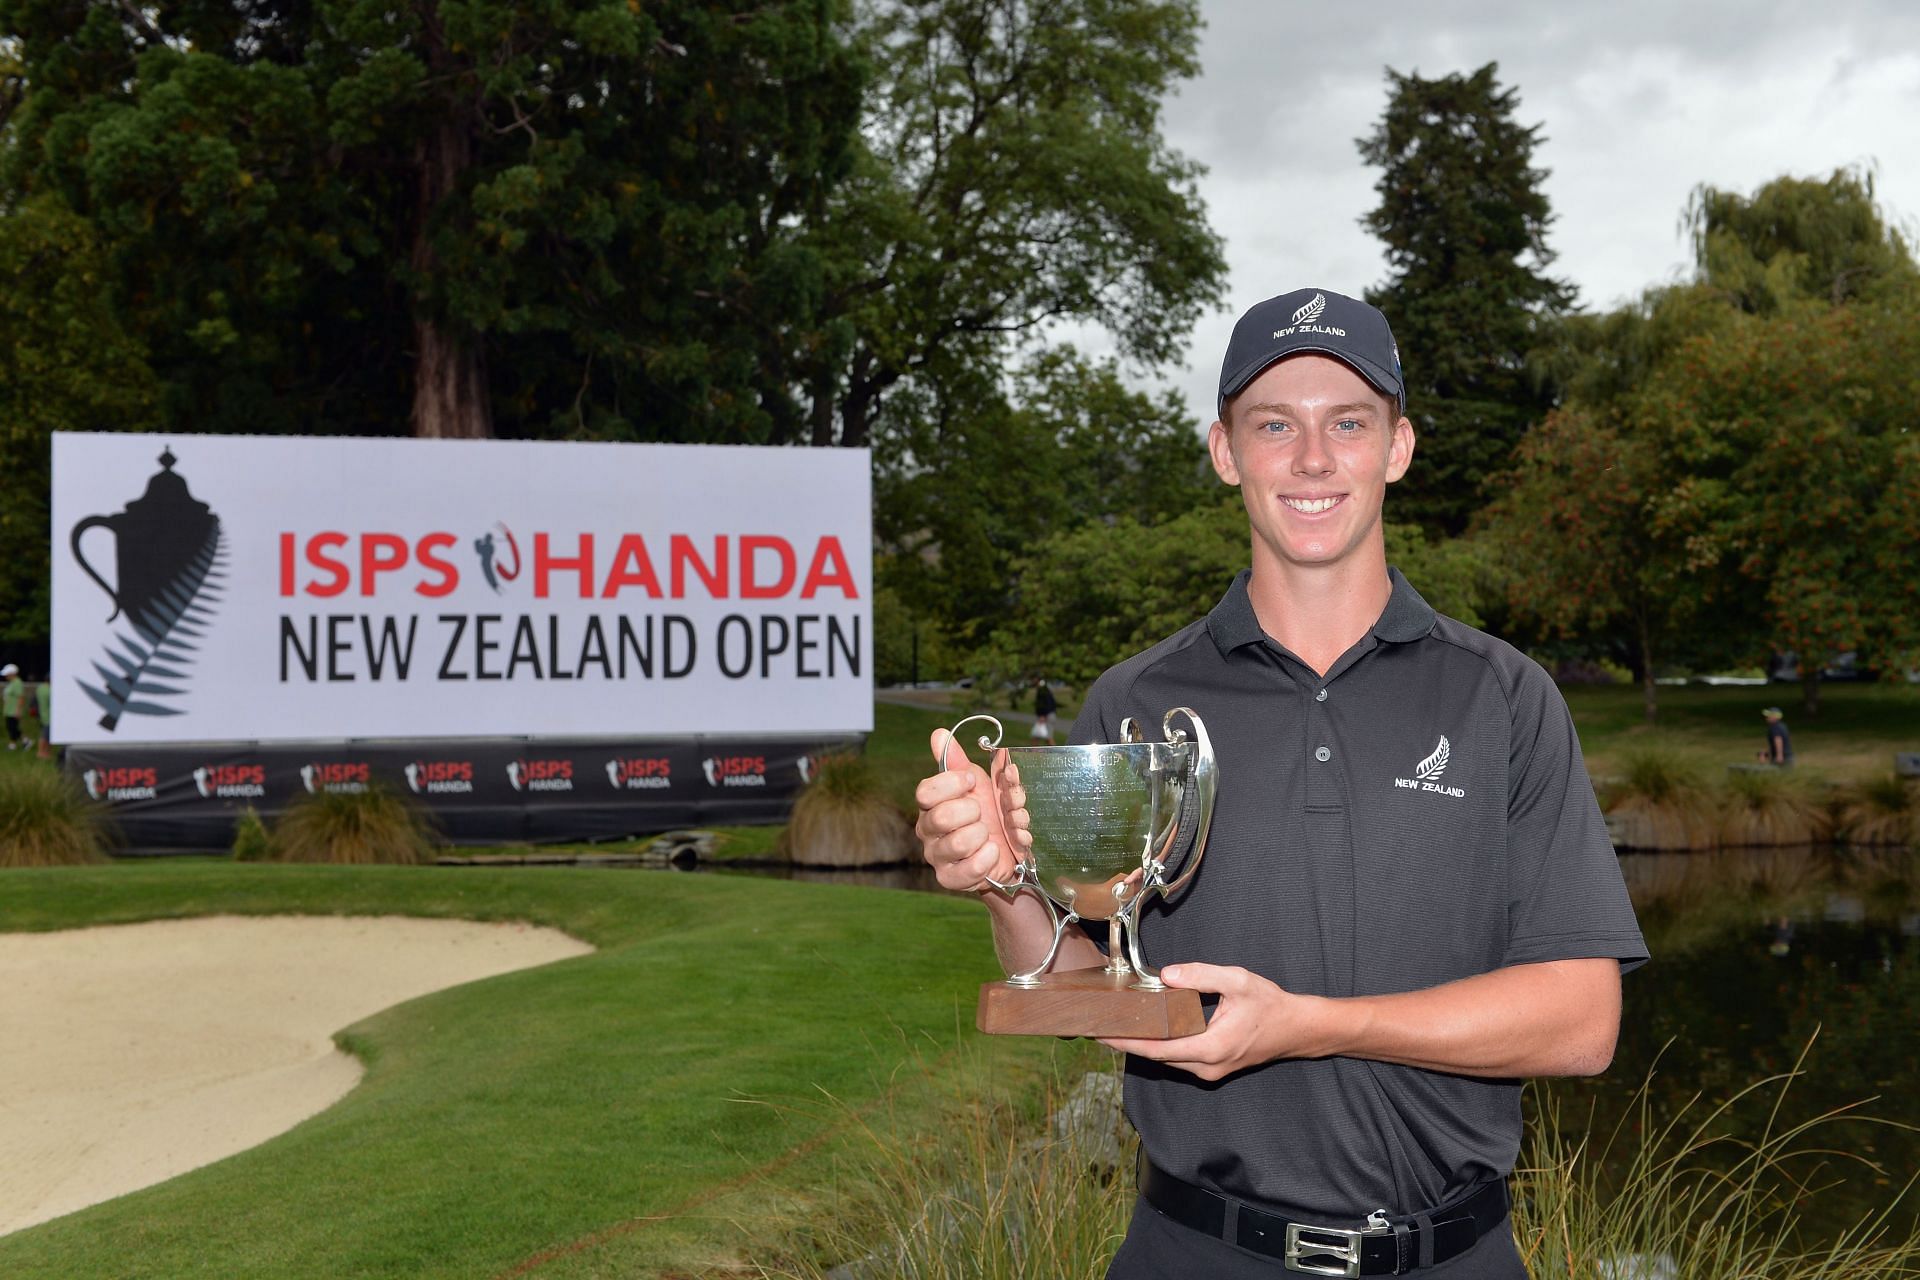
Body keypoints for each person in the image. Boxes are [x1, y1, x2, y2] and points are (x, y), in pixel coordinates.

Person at [915, 288, 1647, 1279]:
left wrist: (1311, 1025)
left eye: (1348, 422)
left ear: (1398, 447)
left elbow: (1581, 1019)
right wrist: (1002, 879)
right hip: (1195, 1251)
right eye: (1275, 424)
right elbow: (1085, 982)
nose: (1312, 458)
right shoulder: (1137, 701)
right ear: (1225, 450)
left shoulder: (1505, 698)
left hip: (1456, 1257)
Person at [2, 663, 23, 749]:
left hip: (13, 710)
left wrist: (18, 710)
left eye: (7, 674)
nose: (5, 676)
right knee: (11, 727)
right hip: (9, 710)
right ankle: (25, 741)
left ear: (12, 673)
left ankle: (13, 744)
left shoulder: (17, 683)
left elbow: (20, 697)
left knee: (12, 727)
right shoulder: (11, 683)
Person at [1032, 676, 1058, 743]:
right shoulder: (1043, 689)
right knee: (1037, 737)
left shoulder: (1043, 690)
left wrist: (1043, 715)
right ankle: (1034, 752)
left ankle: (1056, 752)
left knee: (1048, 738)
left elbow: (1048, 703)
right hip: (1046, 715)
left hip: (1047, 716)